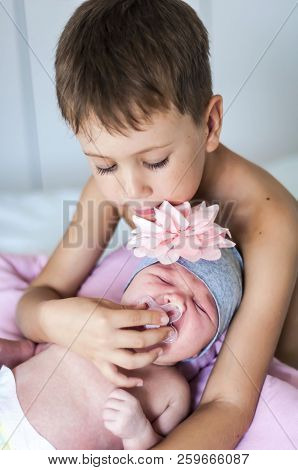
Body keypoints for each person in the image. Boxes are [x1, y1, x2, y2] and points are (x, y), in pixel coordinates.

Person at [14, 0, 297, 449]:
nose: (131, 189)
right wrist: (65, 321)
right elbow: (34, 304)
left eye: (155, 160)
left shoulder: (268, 219)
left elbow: (229, 405)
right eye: (104, 165)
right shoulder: (113, 189)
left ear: (209, 123)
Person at [0, 246, 243, 450]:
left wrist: (138, 432)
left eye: (201, 307)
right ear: (128, 286)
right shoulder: (91, 317)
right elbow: (30, 349)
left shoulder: (174, 391)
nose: (176, 300)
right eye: (163, 279)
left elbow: (156, 451)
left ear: (201, 349)